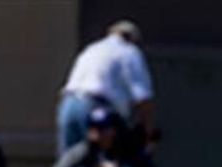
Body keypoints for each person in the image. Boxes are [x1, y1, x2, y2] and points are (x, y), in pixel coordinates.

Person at [56, 20, 155, 156]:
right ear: (132, 39)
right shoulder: (129, 51)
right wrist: (147, 130)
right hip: (97, 107)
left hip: (69, 105)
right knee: (104, 160)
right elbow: (142, 96)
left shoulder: (92, 49)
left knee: (69, 163)